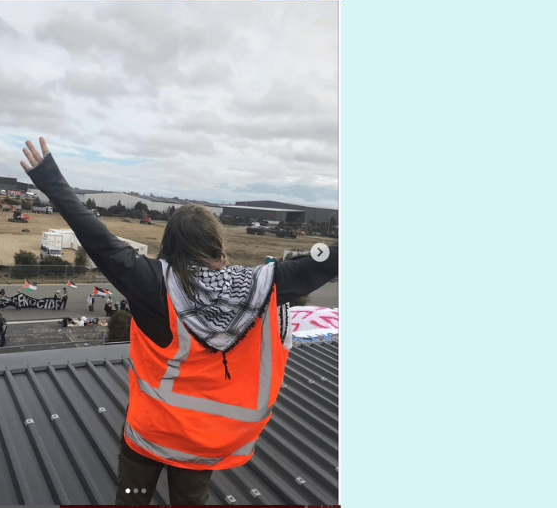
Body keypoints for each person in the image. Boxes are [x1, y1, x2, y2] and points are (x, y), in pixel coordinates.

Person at [19, 137, 338, 505]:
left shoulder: (153, 285)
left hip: (148, 436)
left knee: (131, 500)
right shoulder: (261, 286)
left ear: (169, 247)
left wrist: (51, 180)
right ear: (217, 246)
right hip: (204, 445)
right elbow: (322, 261)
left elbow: (100, 241)